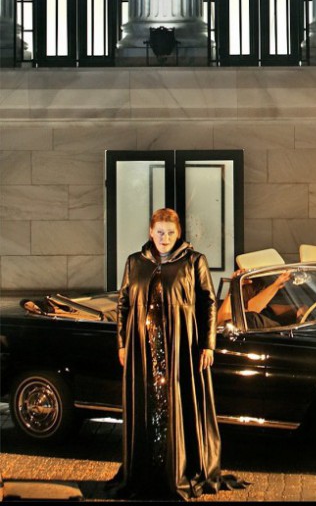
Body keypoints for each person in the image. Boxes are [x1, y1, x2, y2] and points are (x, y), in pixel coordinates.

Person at [110, 208, 247, 501]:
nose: (164, 238)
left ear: (179, 233)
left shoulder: (194, 261)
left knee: (179, 403)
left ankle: (180, 467)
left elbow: (208, 302)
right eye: (159, 232)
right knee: (149, 405)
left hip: (180, 350)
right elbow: (123, 304)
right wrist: (122, 343)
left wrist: (208, 344)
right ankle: (148, 469)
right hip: (143, 349)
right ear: (150, 232)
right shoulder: (135, 263)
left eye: (170, 233)